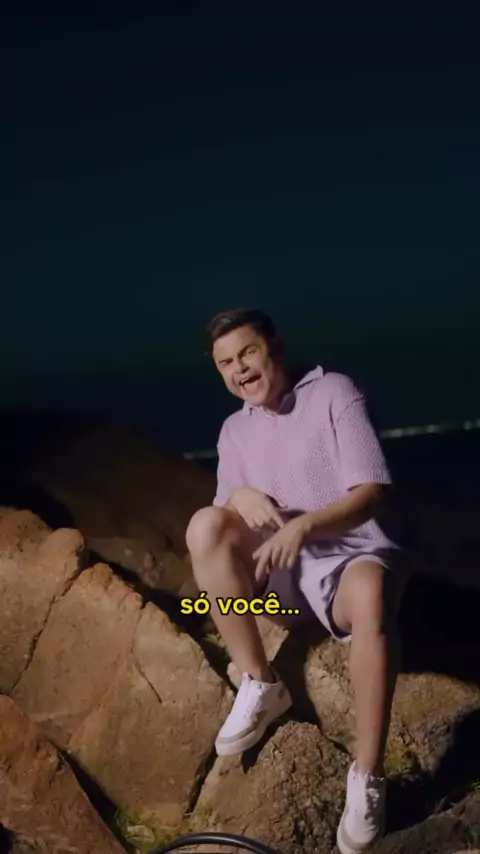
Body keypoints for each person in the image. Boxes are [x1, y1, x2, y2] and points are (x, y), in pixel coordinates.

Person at [186, 308, 407, 854]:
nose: (240, 369)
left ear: (275, 347)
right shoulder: (234, 430)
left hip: (346, 560)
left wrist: (305, 525)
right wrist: (238, 497)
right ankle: (261, 682)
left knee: (372, 595)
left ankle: (367, 775)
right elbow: (222, 521)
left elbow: (372, 491)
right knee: (204, 525)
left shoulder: (333, 392)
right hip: (278, 584)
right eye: (226, 363)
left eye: (247, 352)